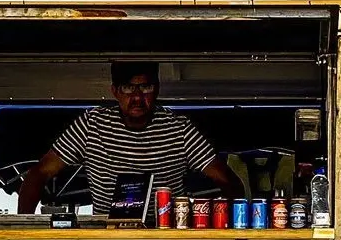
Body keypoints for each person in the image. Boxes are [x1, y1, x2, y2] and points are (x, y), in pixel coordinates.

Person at [18, 61, 236, 214]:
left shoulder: (179, 128)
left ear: (157, 90)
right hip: (108, 238)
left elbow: (226, 179)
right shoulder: (91, 124)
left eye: (145, 87)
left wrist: (232, 228)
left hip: (165, 236)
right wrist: (23, 229)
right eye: (129, 88)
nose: (137, 97)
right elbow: (38, 174)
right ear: (115, 91)